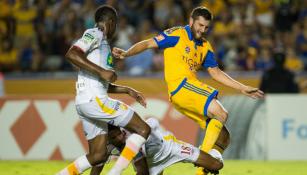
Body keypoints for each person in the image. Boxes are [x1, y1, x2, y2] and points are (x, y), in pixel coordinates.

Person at [112, 6, 264, 175]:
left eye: (206, 27)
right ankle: (202, 161)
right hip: (181, 85)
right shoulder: (177, 34)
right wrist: (126, 53)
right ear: (191, 21)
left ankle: (201, 171)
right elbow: (149, 43)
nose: (202, 30)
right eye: (200, 25)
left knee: (223, 137)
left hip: (184, 95)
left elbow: (215, 72)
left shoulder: (205, 46)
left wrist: (242, 88)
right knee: (221, 113)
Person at [56, 5, 151, 175]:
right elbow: (72, 54)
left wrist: (127, 90)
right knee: (144, 129)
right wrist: (103, 71)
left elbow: (101, 82)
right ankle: (117, 172)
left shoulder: (103, 44)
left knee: (98, 155)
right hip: (95, 100)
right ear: (112, 22)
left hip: (86, 101)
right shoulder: (95, 33)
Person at [90, 118, 227, 175]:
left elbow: (142, 172)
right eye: (113, 138)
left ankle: (209, 153)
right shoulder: (107, 144)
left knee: (216, 166)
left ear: (121, 130)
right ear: (108, 138)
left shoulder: (133, 139)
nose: (119, 138)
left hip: (170, 149)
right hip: (151, 164)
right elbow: (98, 163)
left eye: (119, 134)